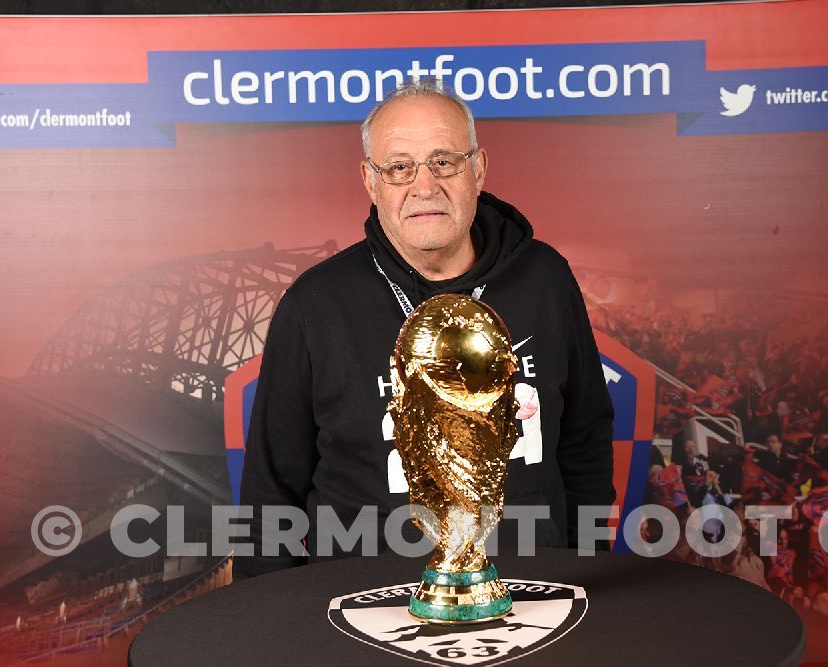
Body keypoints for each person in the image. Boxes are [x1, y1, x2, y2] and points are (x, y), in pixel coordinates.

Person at [233, 79, 614, 580]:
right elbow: (270, 492)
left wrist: (583, 570)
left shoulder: (545, 278)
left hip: (533, 594)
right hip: (361, 610)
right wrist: (272, 628)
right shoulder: (315, 305)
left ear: (477, 169)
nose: (424, 185)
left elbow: (584, 441)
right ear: (371, 181)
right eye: (399, 168)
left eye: (444, 161)